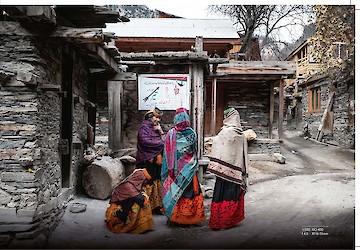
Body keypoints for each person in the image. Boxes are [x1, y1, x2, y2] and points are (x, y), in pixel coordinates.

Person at [161, 108, 206, 226]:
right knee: (190, 191)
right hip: (189, 169)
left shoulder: (170, 134)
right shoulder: (192, 133)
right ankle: (191, 219)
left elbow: (166, 154)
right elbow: (194, 150)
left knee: (176, 192)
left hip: (174, 172)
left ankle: (175, 218)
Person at [206, 107, 249, 230]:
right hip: (235, 172)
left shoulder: (224, 132)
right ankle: (228, 221)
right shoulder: (240, 134)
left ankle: (218, 221)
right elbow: (243, 155)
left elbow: (217, 146)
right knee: (231, 194)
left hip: (222, 171)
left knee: (221, 193)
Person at [105, 169, 154, 234]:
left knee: (143, 198)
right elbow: (140, 200)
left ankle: (141, 225)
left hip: (126, 201)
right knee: (142, 202)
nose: (145, 182)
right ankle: (134, 225)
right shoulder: (128, 186)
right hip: (119, 207)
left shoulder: (133, 183)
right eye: (144, 180)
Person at [136, 107, 165, 214]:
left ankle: (156, 206)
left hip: (156, 160)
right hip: (147, 159)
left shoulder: (156, 128)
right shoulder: (144, 128)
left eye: (159, 118)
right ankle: (145, 205)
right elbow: (145, 141)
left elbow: (164, 140)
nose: (158, 120)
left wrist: (160, 131)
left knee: (156, 180)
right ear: (150, 117)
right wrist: (160, 144)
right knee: (148, 181)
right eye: (156, 117)